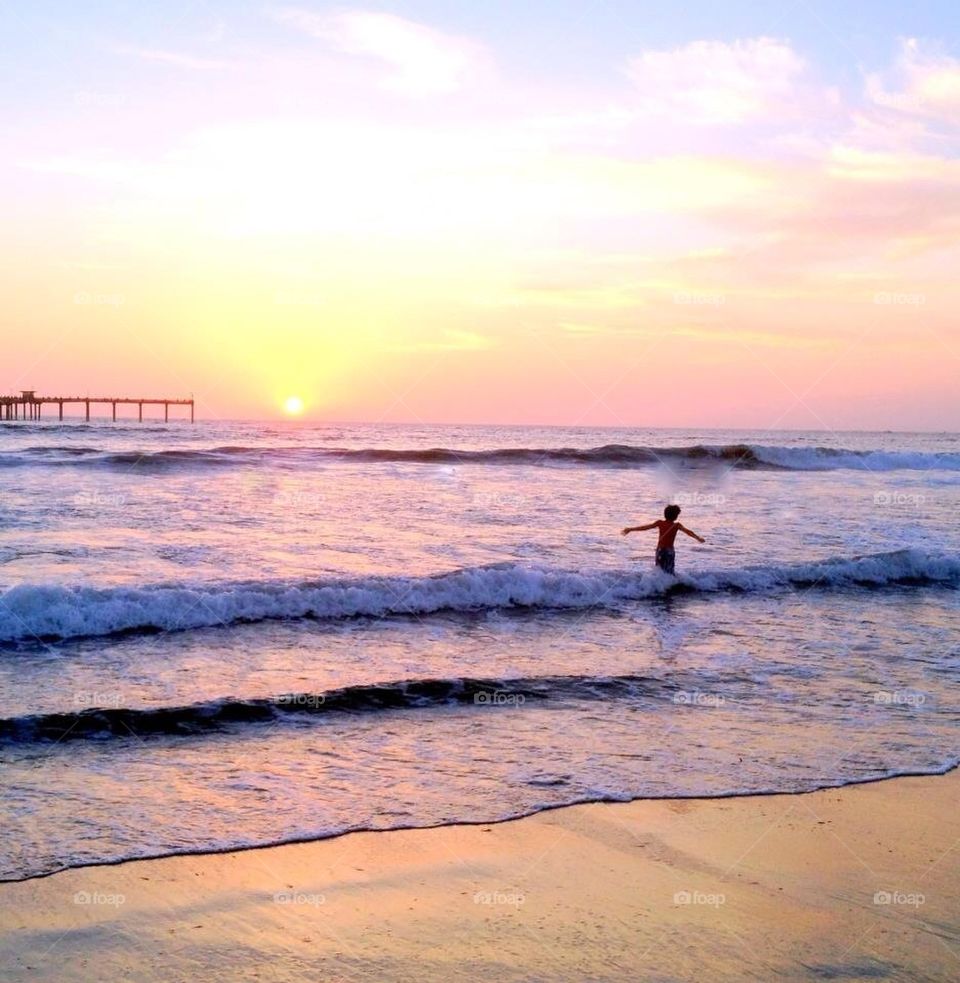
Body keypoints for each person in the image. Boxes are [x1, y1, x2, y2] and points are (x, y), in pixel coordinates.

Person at [621, 504, 705, 574]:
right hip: (669, 551)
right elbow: (688, 532)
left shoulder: (660, 523)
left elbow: (645, 527)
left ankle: (659, 586)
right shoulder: (676, 525)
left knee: (659, 570)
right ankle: (669, 585)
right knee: (669, 571)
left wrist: (630, 529)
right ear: (676, 516)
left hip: (660, 550)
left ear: (665, 514)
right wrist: (698, 538)